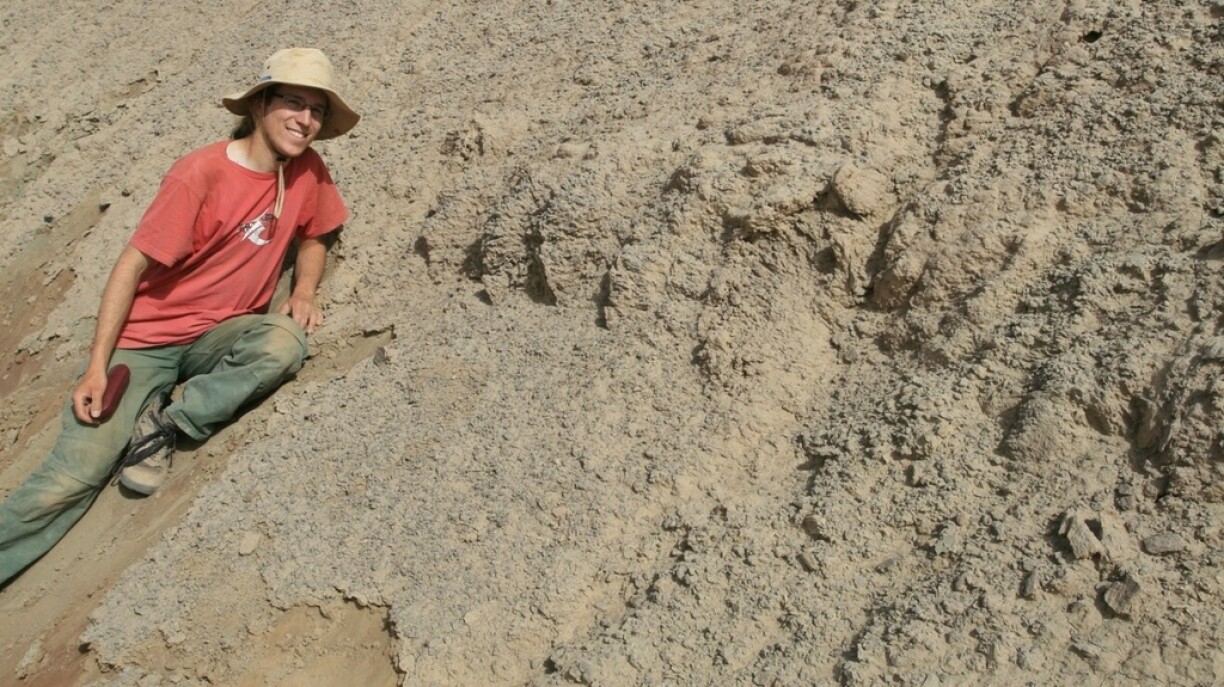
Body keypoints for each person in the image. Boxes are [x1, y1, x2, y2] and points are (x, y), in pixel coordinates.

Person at [0, 48, 359, 585]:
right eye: (293, 102)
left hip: (220, 337)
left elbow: (317, 231)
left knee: (283, 341)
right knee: (72, 478)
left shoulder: (306, 168)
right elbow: (131, 266)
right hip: (144, 345)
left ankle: (164, 426)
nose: (305, 120)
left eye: (316, 110)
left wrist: (304, 289)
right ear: (260, 104)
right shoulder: (200, 174)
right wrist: (99, 367)